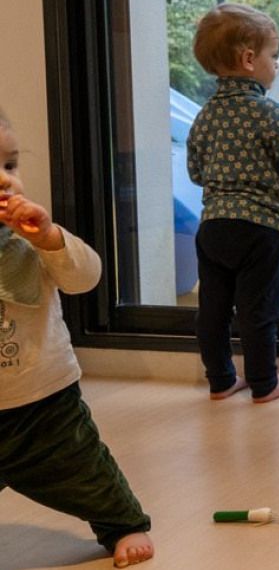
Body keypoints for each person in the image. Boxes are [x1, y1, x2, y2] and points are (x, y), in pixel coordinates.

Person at [0, 109, 154, 567]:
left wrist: (50, 239)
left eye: (10, 165)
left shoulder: (31, 239)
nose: (5, 180)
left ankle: (122, 523)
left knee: (84, 470)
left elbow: (86, 277)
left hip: (43, 399)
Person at [187, 3, 279, 403]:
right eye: (272, 55)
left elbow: (197, 172)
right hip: (260, 228)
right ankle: (264, 382)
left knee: (213, 309)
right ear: (249, 60)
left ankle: (221, 380)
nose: (275, 63)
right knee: (258, 309)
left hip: (212, 227)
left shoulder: (205, 116)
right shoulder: (269, 113)